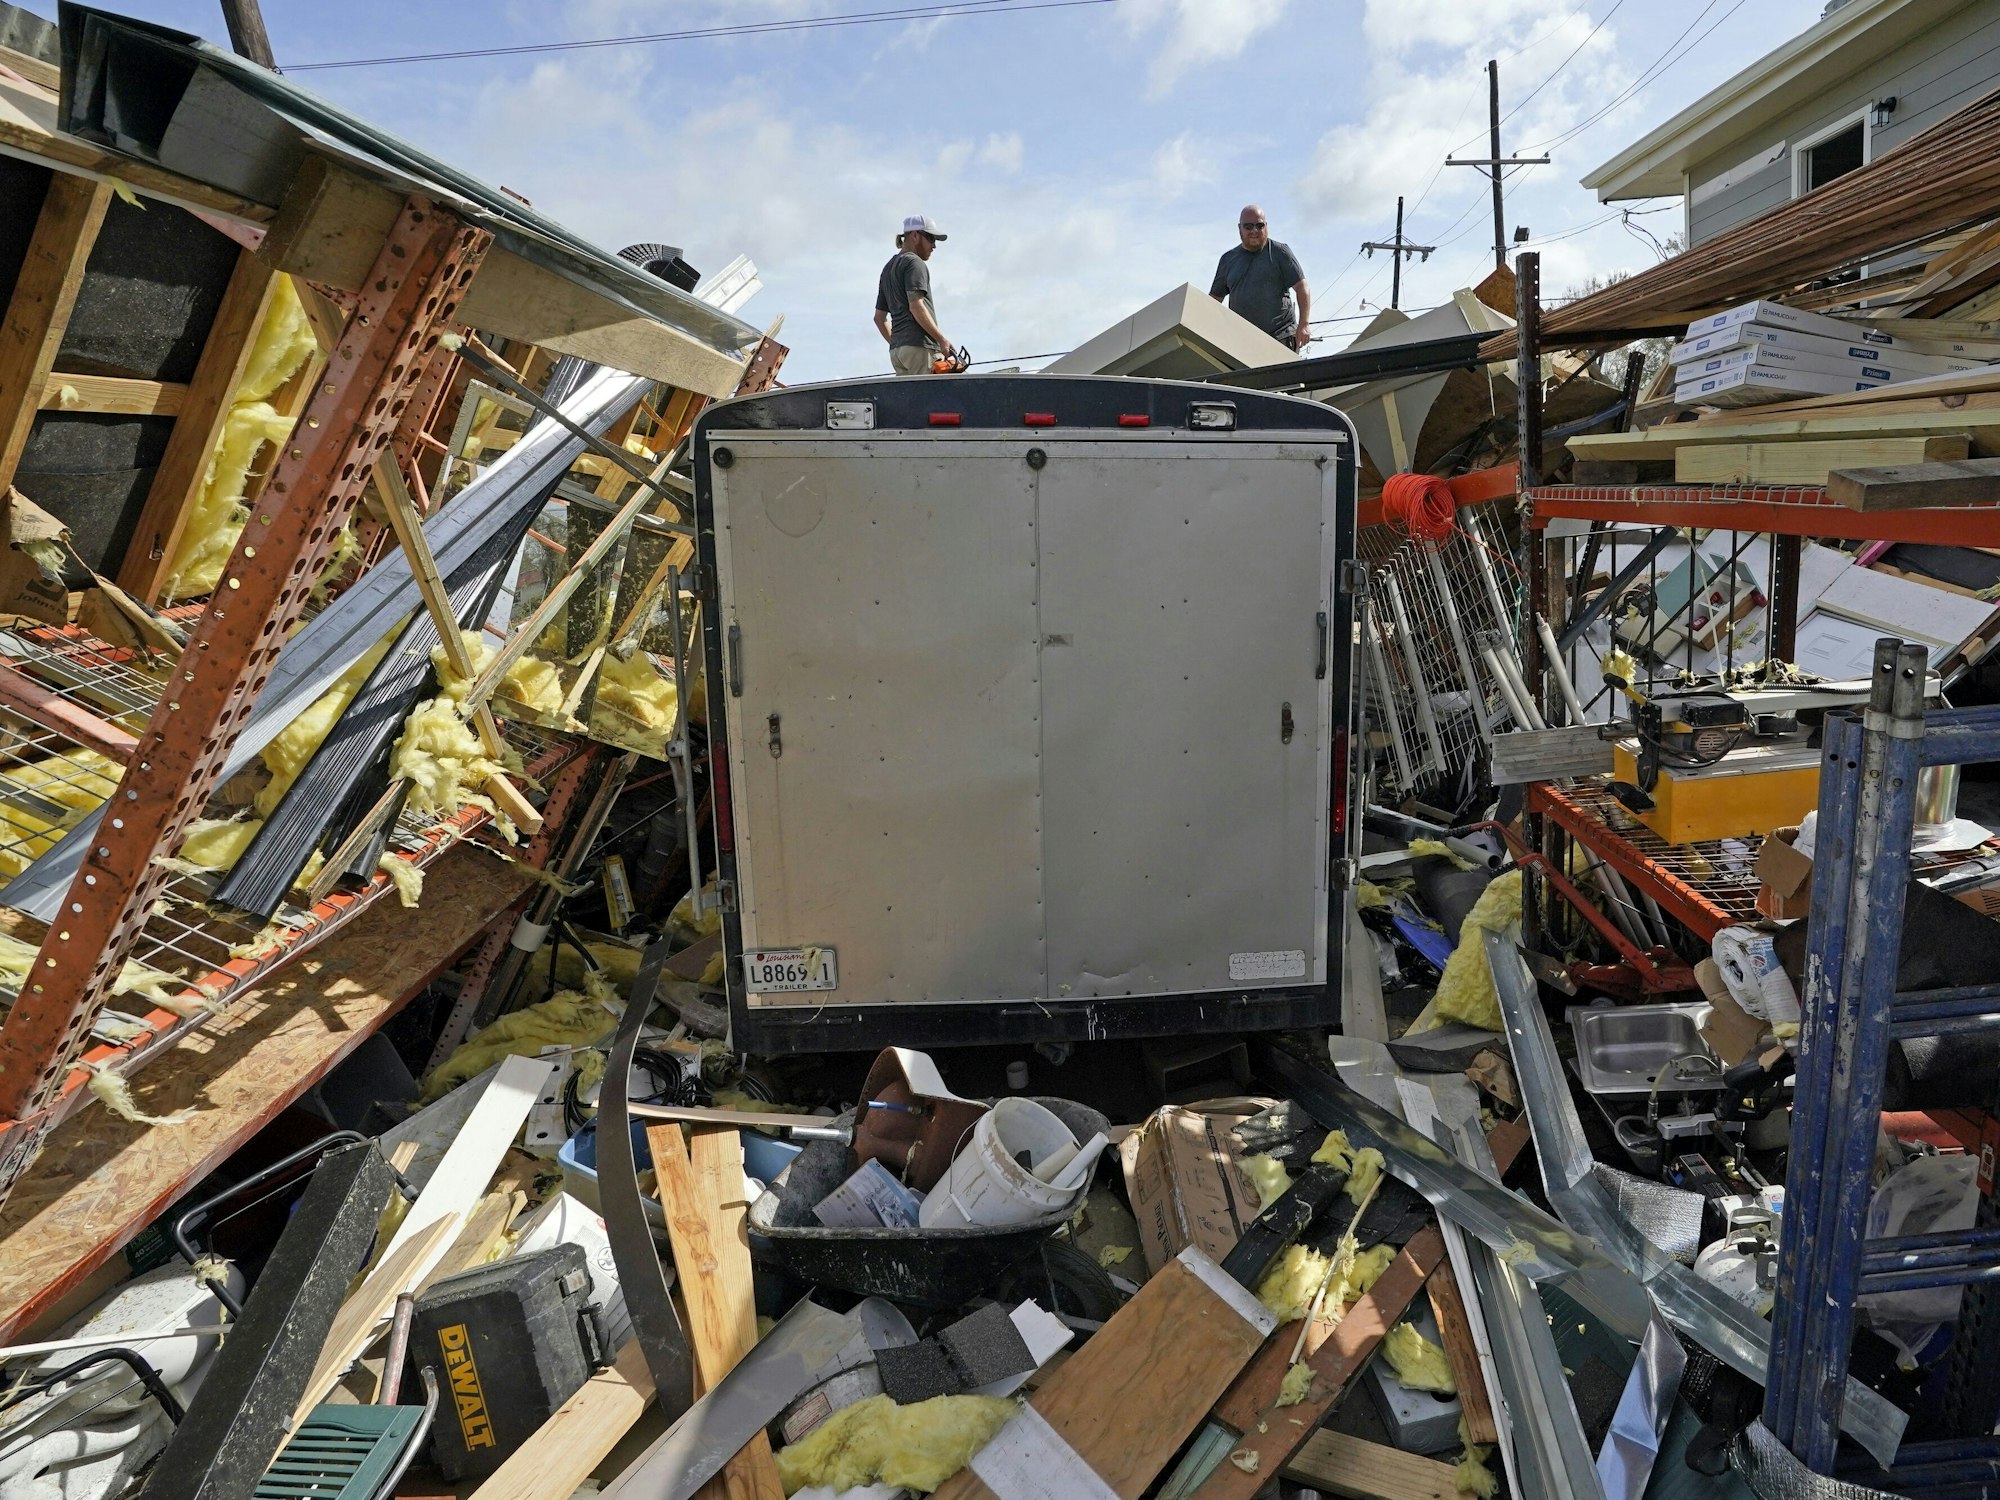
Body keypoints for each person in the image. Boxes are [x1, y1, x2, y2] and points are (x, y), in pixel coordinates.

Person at [1209, 205, 1311, 351]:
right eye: (1248, 226)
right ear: (1239, 228)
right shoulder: (1228, 260)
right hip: (1243, 341)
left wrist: (1304, 324)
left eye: (1259, 225)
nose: (1254, 231)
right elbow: (1214, 300)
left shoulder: (1280, 252)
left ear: (1266, 226)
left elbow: (1302, 287)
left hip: (1280, 337)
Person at [874, 215, 955, 375]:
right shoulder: (915, 263)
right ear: (915, 235)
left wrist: (898, 343)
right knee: (937, 390)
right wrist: (941, 340)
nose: (934, 245)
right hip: (921, 347)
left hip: (897, 353)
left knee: (911, 392)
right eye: (931, 238)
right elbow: (916, 306)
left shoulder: (888, 268)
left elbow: (879, 318)